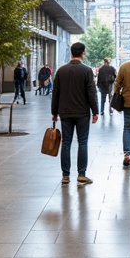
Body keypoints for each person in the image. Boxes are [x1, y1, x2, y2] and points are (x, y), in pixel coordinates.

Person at [52, 41, 99, 184]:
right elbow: (91, 93)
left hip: (65, 112)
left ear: (71, 53)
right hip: (82, 113)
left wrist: (54, 112)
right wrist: (95, 111)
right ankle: (81, 174)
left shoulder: (61, 70)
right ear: (82, 53)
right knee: (82, 142)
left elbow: (56, 93)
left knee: (66, 143)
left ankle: (65, 175)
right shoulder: (86, 71)